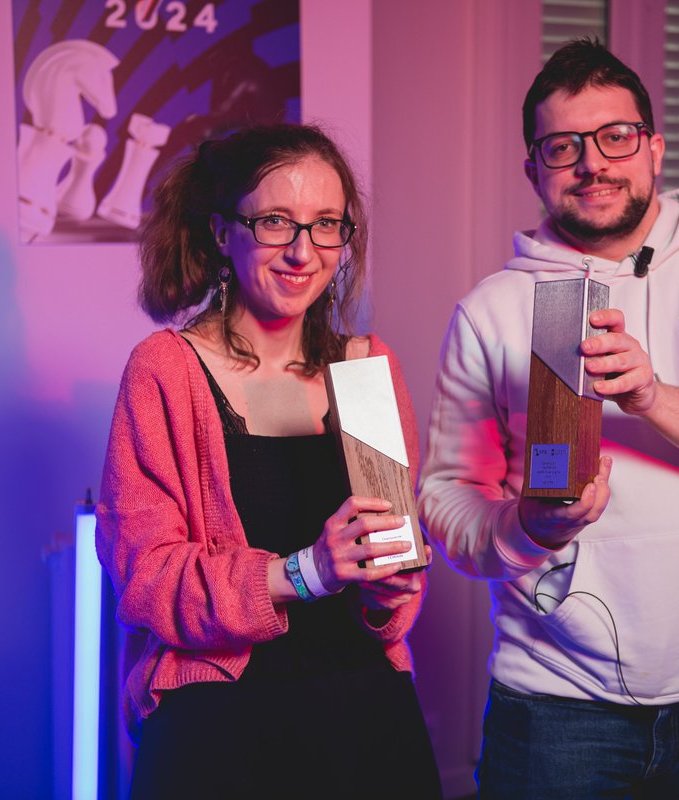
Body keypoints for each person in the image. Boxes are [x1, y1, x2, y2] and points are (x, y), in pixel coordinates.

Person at [418, 39, 679, 799]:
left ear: (653, 147)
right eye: (563, 146)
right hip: (551, 708)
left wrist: (650, 397)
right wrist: (531, 527)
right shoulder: (492, 310)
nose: (593, 163)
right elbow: (446, 501)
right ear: (533, 169)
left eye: (615, 137)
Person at [96, 123, 442, 798]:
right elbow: (143, 576)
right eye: (276, 222)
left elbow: (394, 590)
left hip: (363, 719)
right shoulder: (166, 370)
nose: (302, 251)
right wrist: (306, 571)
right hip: (220, 726)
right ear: (224, 233)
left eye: (326, 226)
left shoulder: (368, 366)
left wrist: (387, 592)